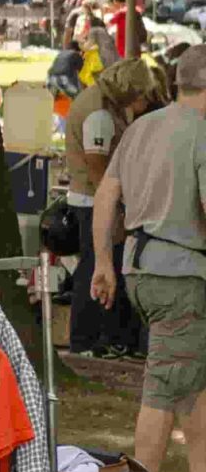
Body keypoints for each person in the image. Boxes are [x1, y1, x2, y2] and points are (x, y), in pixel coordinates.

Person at [90, 46, 206, 472]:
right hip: (180, 276)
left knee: (192, 380)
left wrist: (102, 262)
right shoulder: (201, 132)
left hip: (140, 268)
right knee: (163, 387)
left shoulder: (142, 126)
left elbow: (104, 197)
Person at [66, 58, 156, 359]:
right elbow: (96, 164)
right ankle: (85, 340)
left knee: (94, 269)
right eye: (141, 94)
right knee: (95, 270)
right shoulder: (100, 113)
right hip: (93, 203)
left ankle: (95, 338)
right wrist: (116, 204)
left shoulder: (100, 102)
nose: (142, 101)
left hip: (92, 200)